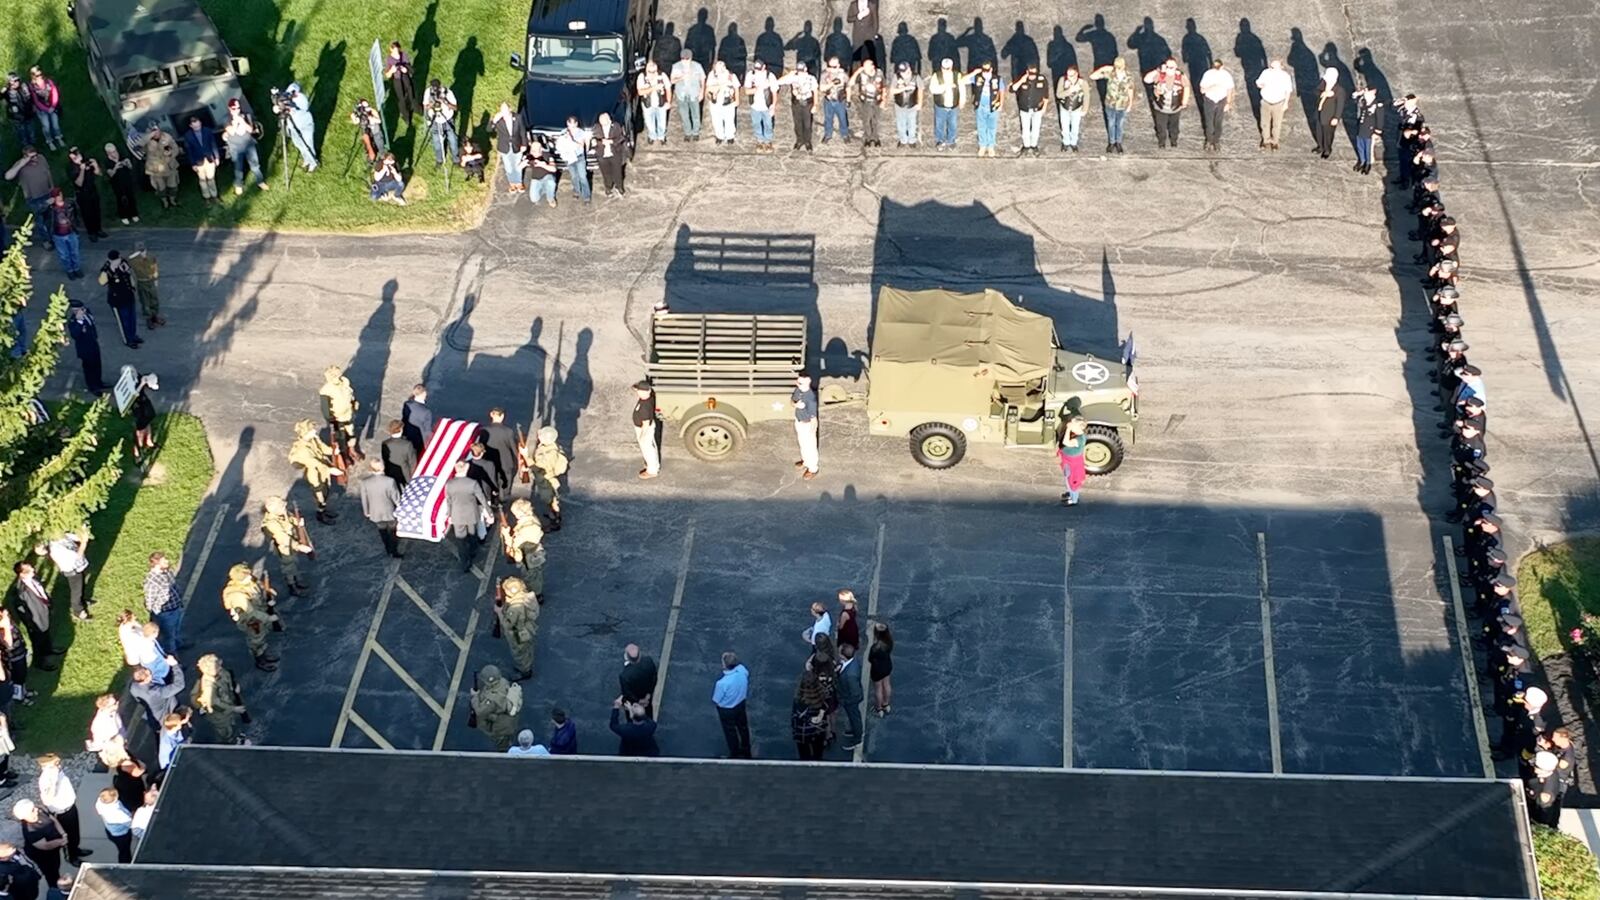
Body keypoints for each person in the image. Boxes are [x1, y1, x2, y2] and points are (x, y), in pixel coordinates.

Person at [220, 563, 279, 671]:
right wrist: (268, 618)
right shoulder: (238, 595)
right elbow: (251, 612)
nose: (250, 577)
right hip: (251, 621)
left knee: (261, 637)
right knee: (256, 640)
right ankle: (260, 660)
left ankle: (264, 655)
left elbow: (258, 593)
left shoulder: (247, 583)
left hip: (259, 613)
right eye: (246, 576)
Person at [35, 755, 87, 865]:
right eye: (55, 764)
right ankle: (71, 856)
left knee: (75, 833)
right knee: (67, 835)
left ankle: (76, 849)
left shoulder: (57, 772)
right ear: (46, 766)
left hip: (70, 807)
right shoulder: (46, 779)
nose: (58, 765)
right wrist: (53, 782)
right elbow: (48, 798)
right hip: (61, 812)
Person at [288, 418, 339, 524]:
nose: (315, 431)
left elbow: (322, 448)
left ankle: (324, 510)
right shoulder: (302, 450)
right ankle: (320, 514)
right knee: (319, 495)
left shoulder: (313, 439)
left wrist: (332, 451)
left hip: (323, 471)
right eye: (312, 430)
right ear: (306, 432)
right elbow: (314, 463)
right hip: (315, 474)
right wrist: (330, 470)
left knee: (326, 491)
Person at [260, 495, 312, 594]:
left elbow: (289, 519)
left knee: (294, 562)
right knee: (288, 566)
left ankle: (297, 579)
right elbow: (283, 538)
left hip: (292, 542)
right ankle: (292, 585)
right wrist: (298, 546)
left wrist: (297, 521)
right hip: (284, 547)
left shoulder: (282, 513)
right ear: (274, 510)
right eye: (281, 507)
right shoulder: (271, 523)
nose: (284, 508)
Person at [5, 146, 54, 248]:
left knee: (49, 218)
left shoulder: (41, 158)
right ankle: (46, 240)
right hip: (33, 198)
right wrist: (21, 164)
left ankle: (51, 236)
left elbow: (47, 172)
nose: (35, 158)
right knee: (40, 221)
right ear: (25, 157)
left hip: (47, 194)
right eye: (31, 157)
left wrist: (52, 187)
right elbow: (8, 176)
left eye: (35, 155)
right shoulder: (20, 165)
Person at [445, 460, 489, 572]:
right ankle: (473, 552)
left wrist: (449, 514)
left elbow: (448, 501)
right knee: (472, 534)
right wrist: (489, 511)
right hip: (471, 514)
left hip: (457, 515)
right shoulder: (472, 483)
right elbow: (482, 498)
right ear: (466, 469)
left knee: (460, 541)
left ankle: (465, 563)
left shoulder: (449, 484)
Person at [42, 526, 94, 621]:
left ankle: (82, 601)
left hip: (78, 567)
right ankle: (78, 611)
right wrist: (84, 542)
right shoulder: (57, 549)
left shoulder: (61, 536)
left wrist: (83, 533)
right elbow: (78, 555)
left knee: (81, 586)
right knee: (76, 592)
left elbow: (74, 537)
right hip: (72, 571)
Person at [12, 799, 66, 891]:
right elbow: (45, 846)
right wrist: (61, 841)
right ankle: (55, 889)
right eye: (33, 810)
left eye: (34, 807)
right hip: (43, 855)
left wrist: (63, 834)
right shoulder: (31, 830)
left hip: (55, 847)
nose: (36, 809)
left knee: (56, 865)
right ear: (25, 816)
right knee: (51, 872)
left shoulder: (40, 810)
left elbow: (53, 820)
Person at [194, 653, 247, 744]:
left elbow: (228, 679)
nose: (220, 668)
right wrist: (233, 709)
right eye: (217, 667)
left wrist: (234, 687)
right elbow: (214, 703)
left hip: (229, 702)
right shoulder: (208, 686)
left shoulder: (220, 672)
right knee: (225, 731)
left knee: (231, 722)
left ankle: (233, 737)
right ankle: (229, 743)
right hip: (219, 714)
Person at [497, 576, 539, 681]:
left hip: (518, 633)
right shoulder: (526, 597)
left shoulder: (514, 608)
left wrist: (499, 612)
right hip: (528, 628)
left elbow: (507, 624)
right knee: (527, 649)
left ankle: (524, 671)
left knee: (519, 653)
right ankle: (527, 665)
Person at [1090, 57, 1135, 153]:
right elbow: (1092, 76)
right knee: (1111, 124)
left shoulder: (1129, 76)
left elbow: (1130, 89)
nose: (1117, 69)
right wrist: (1103, 68)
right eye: (1116, 67)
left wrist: (1130, 103)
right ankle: (1111, 142)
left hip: (1122, 104)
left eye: (1119, 67)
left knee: (1120, 124)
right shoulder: (1111, 74)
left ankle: (1118, 142)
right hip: (1110, 104)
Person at [359, 459, 403, 558]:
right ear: (382, 468)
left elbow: (364, 499)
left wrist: (366, 512)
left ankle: (387, 548)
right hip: (389, 512)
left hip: (375, 512)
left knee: (382, 531)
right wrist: (400, 508)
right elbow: (395, 497)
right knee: (393, 531)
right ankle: (394, 550)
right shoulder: (390, 481)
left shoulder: (365, 482)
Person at [97, 249, 141, 348]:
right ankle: (128, 340)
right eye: (115, 260)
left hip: (129, 296)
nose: (118, 261)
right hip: (118, 300)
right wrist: (112, 269)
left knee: (132, 318)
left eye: (118, 259)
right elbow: (101, 282)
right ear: (110, 260)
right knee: (124, 321)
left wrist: (133, 287)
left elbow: (129, 275)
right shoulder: (107, 269)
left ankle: (133, 336)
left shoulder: (123, 262)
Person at [222, 98, 267, 194]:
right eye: (234, 108)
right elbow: (231, 132)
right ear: (230, 108)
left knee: (255, 164)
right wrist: (235, 123)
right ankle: (239, 184)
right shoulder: (226, 119)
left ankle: (260, 181)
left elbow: (250, 130)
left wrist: (242, 121)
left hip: (248, 144)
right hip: (236, 147)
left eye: (238, 108)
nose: (237, 110)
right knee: (238, 167)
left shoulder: (246, 115)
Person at [1143, 58, 1189, 150]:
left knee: (1174, 127)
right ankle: (1162, 143)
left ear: (1176, 67)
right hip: (1161, 108)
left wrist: (1185, 101)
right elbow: (1146, 80)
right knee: (1161, 127)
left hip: (1175, 108)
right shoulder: (1160, 75)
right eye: (1167, 67)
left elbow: (1187, 87)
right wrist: (1158, 70)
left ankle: (1174, 142)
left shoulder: (1181, 76)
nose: (1169, 69)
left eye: (1172, 67)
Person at [470, 664, 520, 751]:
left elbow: (480, 711)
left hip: (501, 725)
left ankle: (503, 750)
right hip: (509, 718)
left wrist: (474, 697)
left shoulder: (491, 700)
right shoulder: (503, 681)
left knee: (501, 740)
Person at [319, 364, 363, 462]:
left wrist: (354, 402)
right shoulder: (326, 390)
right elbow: (325, 409)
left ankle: (352, 450)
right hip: (337, 418)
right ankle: (344, 456)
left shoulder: (344, 382)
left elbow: (350, 394)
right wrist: (331, 421)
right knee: (340, 437)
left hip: (348, 413)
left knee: (351, 432)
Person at [713, 651, 752, 758]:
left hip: (727, 710)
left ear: (724, 665)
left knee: (730, 731)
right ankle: (746, 748)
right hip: (740, 704)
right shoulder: (742, 670)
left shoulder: (722, 683)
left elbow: (716, 699)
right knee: (743, 727)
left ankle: (734, 753)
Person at [528, 426, 569, 529]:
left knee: (550, 500)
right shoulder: (551, 447)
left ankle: (555, 521)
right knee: (551, 499)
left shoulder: (547, 454)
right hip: (549, 478)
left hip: (546, 480)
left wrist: (529, 463)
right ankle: (553, 515)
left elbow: (540, 469)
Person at [143, 552, 184, 651]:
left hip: (177, 607)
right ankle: (172, 656)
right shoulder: (152, 582)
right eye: (164, 561)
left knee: (176, 630)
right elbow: (150, 600)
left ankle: (178, 644)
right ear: (157, 564)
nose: (167, 561)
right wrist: (155, 614)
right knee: (168, 637)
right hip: (166, 613)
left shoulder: (167, 572)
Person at [503, 499, 546, 594]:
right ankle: (537, 592)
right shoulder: (532, 519)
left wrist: (506, 535)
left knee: (530, 576)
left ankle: (534, 593)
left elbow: (514, 545)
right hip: (535, 553)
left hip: (527, 557)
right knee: (536, 574)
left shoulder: (525, 529)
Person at [274, 83, 318, 172]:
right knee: (299, 144)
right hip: (293, 127)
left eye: (293, 93)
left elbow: (302, 110)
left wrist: (290, 110)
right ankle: (306, 159)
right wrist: (277, 108)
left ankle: (313, 162)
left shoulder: (302, 99)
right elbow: (279, 108)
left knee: (308, 145)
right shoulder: (285, 99)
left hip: (305, 125)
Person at [966, 61, 1005, 158]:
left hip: (993, 106)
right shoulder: (978, 77)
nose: (985, 72)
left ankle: (991, 146)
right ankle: (982, 146)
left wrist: (1001, 104)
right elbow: (962, 80)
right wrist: (974, 72)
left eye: (987, 70)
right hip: (980, 106)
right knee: (981, 127)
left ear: (991, 69)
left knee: (992, 127)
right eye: (983, 70)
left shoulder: (997, 79)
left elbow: (1002, 91)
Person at [129, 665, 185, 732]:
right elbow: (179, 685)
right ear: (147, 678)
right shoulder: (155, 692)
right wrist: (175, 666)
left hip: (154, 722)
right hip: (169, 720)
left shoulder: (133, 687)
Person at [1010, 63, 1049, 156]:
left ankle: (1034, 145)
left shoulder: (1042, 80)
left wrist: (1044, 107)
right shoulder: (1021, 79)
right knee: (1025, 128)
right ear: (1027, 72)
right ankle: (1026, 145)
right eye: (1031, 74)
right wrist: (1021, 80)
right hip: (1025, 108)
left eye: (1034, 74)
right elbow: (1012, 89)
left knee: (1036, 128)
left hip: (1037, 109)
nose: (1032, 76)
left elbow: (1046, 95)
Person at [67, 147, 107, 240]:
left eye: (78, 153)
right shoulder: (71, 167)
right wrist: (82, 170)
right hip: (82, 193)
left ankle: (98, 229)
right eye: (75, 154)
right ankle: (91, 232)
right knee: (87, 214)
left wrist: (95, 165)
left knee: (96, 210)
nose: (78, 156)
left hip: (92, 190)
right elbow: (79, 183)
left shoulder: (86, 161)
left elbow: (99, 173)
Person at [66, 300, 105, 394]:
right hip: (85, 348)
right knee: (89, 368)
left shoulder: (87, 313)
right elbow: (75, 335)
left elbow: (92, 324)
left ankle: (98, 382)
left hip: (93, 344)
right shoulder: (73, 321)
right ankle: (93, 387)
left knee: (97, 365)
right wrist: (79, 322)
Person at [778, 62, 819, 151]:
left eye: (801, 71)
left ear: (805, 70)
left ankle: (808, 141)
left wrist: (815, 104)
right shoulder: (794, 77)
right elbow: (779, 82)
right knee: (797, 123)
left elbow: (815, 91)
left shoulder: (811, 78)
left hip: (807, 103)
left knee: (807, 124)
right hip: (796, 103)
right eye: (798, 71)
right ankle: (799, 140)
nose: (800, 73)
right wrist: (789, 75)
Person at [1254, 59, 1293, 150]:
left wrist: (1286, 103)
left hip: (1278, 103)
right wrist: (1260, 85)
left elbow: (1288, 91)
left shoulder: (1285, 76)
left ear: (1281, 67)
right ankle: (1266, 141)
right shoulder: (1266, 73)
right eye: (1271, 66)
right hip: (1266, 101)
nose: (1272, 68)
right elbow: (1258, 83)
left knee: (1277, 124)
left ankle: (1275, 142)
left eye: (1274, 67)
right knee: (1264, 123)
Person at [45, 189, 84, 279]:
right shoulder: (50, 209)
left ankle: (76, 268)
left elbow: (77, 212)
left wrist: (77, 224)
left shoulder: (69, 204)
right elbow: (39, 211)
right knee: (64, 255)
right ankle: (69, 270)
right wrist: (46, 203)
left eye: (59, 194)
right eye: (56, 196)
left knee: (75, 252)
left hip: (71, 232)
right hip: (58, 235)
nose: (59, 197)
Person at [182, 117, 222, 203]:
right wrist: (193, 164)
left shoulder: (207, 131)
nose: (197, 128)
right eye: (195, 127)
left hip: (210, 159)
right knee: (202, 180)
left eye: (199, 125)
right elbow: (189, 151)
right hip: (198, 161)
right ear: (191, 126)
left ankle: (214, 196)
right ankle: (206, 197)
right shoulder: (188, 136)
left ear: (200, 123)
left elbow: (213, 144)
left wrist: (217, 157)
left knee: (211, 178)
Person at [849, 58, 887, 148]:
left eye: (866, 66)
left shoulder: (879, 73)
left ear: (872, 66)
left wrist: (884, 100)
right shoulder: (862, 74)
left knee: (875, 120)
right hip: (865, 100)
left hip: (877, 100)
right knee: (866, 120)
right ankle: (868, 138)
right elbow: (850, 83)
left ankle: (876, 138)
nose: (864, 68)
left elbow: (884, 87)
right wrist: (857, 72)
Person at [791, 671, 830, 760]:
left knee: (804, 754)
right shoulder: (822, 693)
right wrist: (821, 713)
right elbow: (827, 704)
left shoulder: (799, 700)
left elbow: (796, 717)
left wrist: (795, 730)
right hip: (818, 730)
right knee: (818, 753)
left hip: (803, 732)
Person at [142, 122, 181, 208]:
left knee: (173, 186)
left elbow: (175, 148)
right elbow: (140, 144)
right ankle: (165, 202)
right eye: (153, 131)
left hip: (169, 166)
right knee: (161, 188)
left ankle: (172, 200)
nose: (156, 133)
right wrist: (150, 135)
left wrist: (171, 154)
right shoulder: (147, 140)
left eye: (157, 130)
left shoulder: (167, 137)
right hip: (156, 169)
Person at [1197, 60, 1234, 152]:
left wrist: (1228, 103)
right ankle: (1209, 140)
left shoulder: (1226, 75)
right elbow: (1202, 90)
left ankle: (1216, 140)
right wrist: (1211, 87)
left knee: (1218, 122)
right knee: (1209, 123)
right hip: (1210, 100)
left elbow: (1230, 89)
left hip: (1221, 100)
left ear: (1222, 66)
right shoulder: (1208, 74)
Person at [670, 49, 706, 141]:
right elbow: (672, 81)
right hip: (681, 95)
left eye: (687, 59)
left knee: (696, 114)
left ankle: (696, 132)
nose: (685, 61)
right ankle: (687, 132)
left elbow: (702, 79)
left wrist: (702, 92)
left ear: (691, 58)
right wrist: (681, 77)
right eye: (683, 59)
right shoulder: (676, 67)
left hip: (694, 93)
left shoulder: (697, 66)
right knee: (684, 114)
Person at [745, 60, 781, 152]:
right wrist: (756, 89)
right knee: (756, 123)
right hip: (755, 106)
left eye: (759, 69)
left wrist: (773, 105)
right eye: (756, 69)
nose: (757, 71)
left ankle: (768, 141)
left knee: (768, 124)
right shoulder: (751, 75)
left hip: (766, 106)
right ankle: (760, 140)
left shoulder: (770, 76)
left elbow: (774, 92)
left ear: (764, 67)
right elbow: (747, 91)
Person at [422, 79, 459, 167]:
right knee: (436, 142)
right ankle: (439, 160)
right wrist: (432, 103)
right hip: (435, 120)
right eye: (433, 88)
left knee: (453, 140)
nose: (435, 90)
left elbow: (455, 108)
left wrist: (444, 101)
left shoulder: (448, 92)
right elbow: (425, 107)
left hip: (447, 119)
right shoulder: (428, 92)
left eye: (437, 88)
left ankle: (456, 159)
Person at [555, 116, 592, 202]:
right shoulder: (564, 132)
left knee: (582, 176)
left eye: (572, 126)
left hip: (579, 157)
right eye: (569, 126)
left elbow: (581, 145)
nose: (570, 128)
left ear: (576, 124)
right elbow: (560, 143)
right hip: (569, 157)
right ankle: (576, 191)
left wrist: (571, 140)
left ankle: (586, 196)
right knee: (574, 176)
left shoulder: (581, 132)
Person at [490, 103, 526, 194]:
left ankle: (519, 182)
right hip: (504, 146)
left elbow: (522, 131)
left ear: (510, 109)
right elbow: (489, 130)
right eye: (502, 110)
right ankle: (512, 183)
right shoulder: (499, 120)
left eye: (506, 110)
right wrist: (494, 121)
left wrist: (524, 144)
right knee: (508, 166)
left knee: (518, 165)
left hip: (517, 144)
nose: (504, 112)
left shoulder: (518, 117)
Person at [836, 643, 865, 750]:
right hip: (848, 697)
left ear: (843, 656)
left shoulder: (850, 675)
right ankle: (855, 730)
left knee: (854, 717)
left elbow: (854, 691)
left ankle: (857, 739)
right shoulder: (853, 662)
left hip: (850, 700)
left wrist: (846, 701)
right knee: (853, 717)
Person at [592, 112, 628, 197]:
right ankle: (608, 187)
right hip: (602, 155)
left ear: (609, 120)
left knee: (617, 172)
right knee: (606, 173)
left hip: (615, 153)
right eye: (601, 122)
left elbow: (621, 138)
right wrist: (599, 142)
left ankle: (619, 187)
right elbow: (594, 140)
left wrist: (611, 141)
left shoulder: (616, 126)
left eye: (605, 122)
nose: (603, 124)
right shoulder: (596, 127)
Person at [1314, 67, 1347, 159]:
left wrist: (1336, 117)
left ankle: (1327, 149)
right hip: (1320, 112)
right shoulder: (1323, 84)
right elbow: (1315, 92)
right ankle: (1320, 146)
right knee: (1319, 131)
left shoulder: (1339, 90)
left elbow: (1340, 106)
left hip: (1329, 115)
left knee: (1328, 134)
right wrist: (1323, 93)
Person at [792, 371, 820, 480]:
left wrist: (812, 431)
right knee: (802, 444)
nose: (797, 384)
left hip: (807, 424)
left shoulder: (811, 399)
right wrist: (795, 404)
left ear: (808, 383)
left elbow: (813, 418)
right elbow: (792, 401)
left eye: (800, 383)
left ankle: (813, 468)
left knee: (810, 447)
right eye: (798, 382)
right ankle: (806, 461)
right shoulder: (798, 390)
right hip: (799, 421)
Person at [638, 60, 673, 144]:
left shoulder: (662, 75)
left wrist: (668, 101)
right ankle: (652, 136)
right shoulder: (642, 77)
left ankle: (661, 136)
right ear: (646, 70)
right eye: (650, 71)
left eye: (654, 71)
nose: (652, 73)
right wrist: (654, 88)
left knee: (662, 122)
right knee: (649, 123)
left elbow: (668, 89)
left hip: (661, 103)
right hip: (648, 104)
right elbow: (640, 92)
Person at [95, 789, 134, 863]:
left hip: (110, 831)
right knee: (124, 851)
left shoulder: (100, 803)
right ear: (115, 799)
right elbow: (131, 824)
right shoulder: (117, 813)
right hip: (121, 835)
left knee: (122, 849)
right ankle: (125, 864)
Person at [128, 243, 162, 328]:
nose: (143, 252)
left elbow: (155, 267)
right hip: (142, 282)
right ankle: (149, 319)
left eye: (143, 250)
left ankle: (154, 316)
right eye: (140, 251)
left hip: (151, 281)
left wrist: (156, 278)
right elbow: (127, 262)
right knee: (145, 301)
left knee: (154, 300)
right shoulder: (133, 261)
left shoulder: (150, 257)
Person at [27, 68, 62, 150]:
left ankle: (59, 137)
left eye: (41, 74)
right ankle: (49, 141)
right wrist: (46, 109)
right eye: (37, 75)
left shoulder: (48, 82)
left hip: (52, 106)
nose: (40, 77)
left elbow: (54, 93)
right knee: (46, 126)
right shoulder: (32, 86)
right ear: (33, 76)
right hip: (41, 109)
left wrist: (53, 106)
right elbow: (36, 101)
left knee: (55, 124)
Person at [707, 60, 741, 145]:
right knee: (716, 120)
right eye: (717, 68)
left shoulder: (731, 75)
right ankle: (719, 136)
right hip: (715, 102)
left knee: (729, 119)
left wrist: (737, 100)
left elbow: (736, 87)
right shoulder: (712, 75)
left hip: (728, 101)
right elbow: (708, 88)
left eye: (720, 68)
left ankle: (730, 136)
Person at [1055, 65, 1087, 151]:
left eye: (1071, 75)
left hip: (1076, 108)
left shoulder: (1082, 82)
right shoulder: (1062, 80)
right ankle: (1066, 143)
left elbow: (1087, 96)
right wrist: (1069, 91)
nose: (1069, 77)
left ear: (1076, 74)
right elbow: (1058, 94)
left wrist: (1084, 109)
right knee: (1064, 127)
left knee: (1075, 127)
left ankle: (1073, 143)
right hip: (1064, 107)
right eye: (1068, 75)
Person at [633, 380, 661, 479]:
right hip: (645, 427)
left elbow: (645, 423)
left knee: (647, 449)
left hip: (644, 429)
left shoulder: (645, 406)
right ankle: (651, 464)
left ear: (646, 392)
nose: (638, 392)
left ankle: (652, 470)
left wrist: (642, 436)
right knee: (650, 447)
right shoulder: (647, 398)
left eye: (640, 391)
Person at [619, 643, 659, 712]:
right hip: (647, 697)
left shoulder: (624, 675)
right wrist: (648, 694)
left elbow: (627, 693)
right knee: (648, 711)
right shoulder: (648, 661)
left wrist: (639, 701)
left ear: (627, 657)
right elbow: (654, 678)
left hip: (634, 703)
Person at [1058, 416, 1088, 505]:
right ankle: (1070, 493)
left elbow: (1066, 442)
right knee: (1068, 477)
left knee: (1072, 481)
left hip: (1072, 464)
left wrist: (1068, 429)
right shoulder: (1078, 434)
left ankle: (1073, 499)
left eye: (1073, 424)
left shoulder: (1079, 439)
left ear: (1079, 427)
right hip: (1069, 461)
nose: (1070, 424)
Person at [819, 57, 850, 142]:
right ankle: (828, 134)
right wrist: (831, 84)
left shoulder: (843, 75)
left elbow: (848, 87)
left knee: (843, 118)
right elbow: (821, 88)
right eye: (830, 66)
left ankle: (845, 134)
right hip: (829, 100)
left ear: (838, 66)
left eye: (834, 67)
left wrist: (849, 100)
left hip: (840, 100)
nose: (832, 69)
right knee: (828, 118)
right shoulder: (825, 74)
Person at [384, 42, 417, 123]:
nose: (396, 53)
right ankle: (406, 117)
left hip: (405, 76)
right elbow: (387, 75)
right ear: (390, 50)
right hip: (397, 79)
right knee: (401, 98)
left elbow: (409, 66)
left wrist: (405, 69)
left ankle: (415, 107)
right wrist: (392, 71)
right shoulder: (389, 59)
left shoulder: (403, 55)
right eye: (394, 51)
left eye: (397, 50)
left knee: (410, 91)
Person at [1353, 84, 1382, 175]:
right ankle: (1362, 161)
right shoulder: (1364, 101)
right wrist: (1359, 93)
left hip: (1370, 130)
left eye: (1367, 91)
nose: (1365, 92)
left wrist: (1377, 131)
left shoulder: (1377, 105)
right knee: (1360, 147)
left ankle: (1368, 164)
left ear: (1373, 92)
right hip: (1361, 128)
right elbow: (1354, 97)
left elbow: (1380, 119)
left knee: (1368, 149)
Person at [890, 62, 921, 146]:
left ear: (909, 68)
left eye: (905, 71)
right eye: (901, 71)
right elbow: (892, 91)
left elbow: (921, 90)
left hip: (912, 104)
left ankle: (912, 140)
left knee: (912, 123)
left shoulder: (916, 77)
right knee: (901, 124)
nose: (903, 73)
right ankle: (903, 140)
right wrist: (905, 88)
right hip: (900, 104)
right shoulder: (896, 77)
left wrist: (920, 103)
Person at [523, 139, 559, 208]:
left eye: (536, 151)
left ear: (541, 150)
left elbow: (554, 169)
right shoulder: (529, 156)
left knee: (551, 182)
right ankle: (545, 189)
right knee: (534, 199)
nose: (534, 153)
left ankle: (550, 198)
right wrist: (523, 163)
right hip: (536, 178)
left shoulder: (547, 155)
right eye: (532, 150)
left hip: (547, 176)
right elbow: (519, 167)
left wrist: (543, 165)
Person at [4, 72, 36, 150]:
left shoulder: (24, 86)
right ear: (9, 82)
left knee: (31, 131)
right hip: (17, 117)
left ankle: (34, 147)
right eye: (13, 81)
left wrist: (33, 106)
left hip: (28, 114)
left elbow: (30, 97)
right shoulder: (7, 91)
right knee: (22, 134)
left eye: (17, 80)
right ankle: (26, 149)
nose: (16, 82)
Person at [381, 418, 416, 485]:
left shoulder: (385, 443)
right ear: (400, 430)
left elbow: (385, 459)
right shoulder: (407, 444)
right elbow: (412, 462)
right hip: (405, 474)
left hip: (390, 473)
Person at [869, 620, 893, 715]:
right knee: (887, 684)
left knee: (878, 688)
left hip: (877, 670)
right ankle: (886, 704)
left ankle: (879, 708)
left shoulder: (875, 648)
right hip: (887, 666)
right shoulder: (889, 642)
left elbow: (870, 659)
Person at [847, 0, 881, 66]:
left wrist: (874, 34)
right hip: (857, 36)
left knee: (870, 56)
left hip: (869, 36)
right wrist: (858, 16)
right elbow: (849, 19)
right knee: (857, 57)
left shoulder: (872, 5)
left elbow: (875, 22)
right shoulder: (853, 4)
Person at [350, 98, 385, 163]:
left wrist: (371, 117)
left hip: (376, 132)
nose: (366, 108)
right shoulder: (361, 114)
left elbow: (379, 121)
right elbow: (356, 122)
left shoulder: (372, 111)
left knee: (380, 146)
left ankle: (382, 157)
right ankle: (371, 159)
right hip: (368, 133)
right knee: (369, 146)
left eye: (367, 106)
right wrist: (354, 117)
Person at [401, 383, 434, 451]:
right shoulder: (426, 411)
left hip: (407, 435)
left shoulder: (407, 404)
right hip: (419, 440)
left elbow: (404, 419)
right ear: (424, 394)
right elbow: (427, 430)